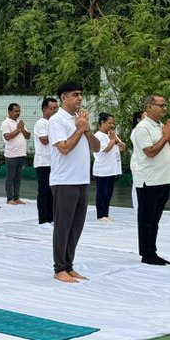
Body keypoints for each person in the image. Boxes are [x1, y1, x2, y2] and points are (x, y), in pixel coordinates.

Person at [47, 82, 99, 283]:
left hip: (82, 180)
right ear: (63, 98)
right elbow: (65, 148)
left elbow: (96, 147)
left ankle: (69, 265)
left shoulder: (80, 121)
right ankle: (59, 268)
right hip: (64, 181)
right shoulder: (56, 121)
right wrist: (79, 130)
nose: (79, 98)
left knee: (76, 226)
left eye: (81, 95)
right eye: (75, 94)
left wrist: (86, 130)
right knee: (63, 225)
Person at [130, 94, 170, 265]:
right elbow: (149, 152)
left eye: (165, 105)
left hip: (163, 178)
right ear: (149, 107)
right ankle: (147, 253)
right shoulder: (142, 128)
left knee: (155, 219)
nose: (164, 109)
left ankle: (153, 251)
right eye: (161, 105)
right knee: (147, 219)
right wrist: (165, 136)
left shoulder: (161, 126)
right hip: (149, 180)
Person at [92, 113, 125, 221]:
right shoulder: (98, 135)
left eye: (113, 123)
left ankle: (106, 213)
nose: (112, 125)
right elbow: (105, 149)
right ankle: (100, 215)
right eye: (110, 123)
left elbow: (122, 147)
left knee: (109, 193)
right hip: (102, 169)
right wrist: (113, 141)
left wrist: (117, 141)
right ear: (102, 122)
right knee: (102, 193)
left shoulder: (111, 134)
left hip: (112, 168)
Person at [33, 97, 57, 224]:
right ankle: (43, 219)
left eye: (56, 108)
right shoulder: (41, 123)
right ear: (44, 109)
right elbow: (44, 140)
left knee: (52, 191)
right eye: (52, 108)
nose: (55, 111)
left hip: (54, 162)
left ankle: (51, 217)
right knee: (44, 191)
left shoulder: (54, 123)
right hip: (43, 162)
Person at [1, 103, 29, 205]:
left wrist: (22, 128)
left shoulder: (20, 122)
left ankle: (17, 197)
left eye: (19, 111)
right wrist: (18, 129)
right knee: (10, 177)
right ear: (10, 111)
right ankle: (10, 198)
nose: (18, 113)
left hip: (21, 154)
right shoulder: (6, 123)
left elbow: (28, 136)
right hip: (11, 155)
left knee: (18, 177)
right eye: (16, 111)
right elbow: (7, 136)